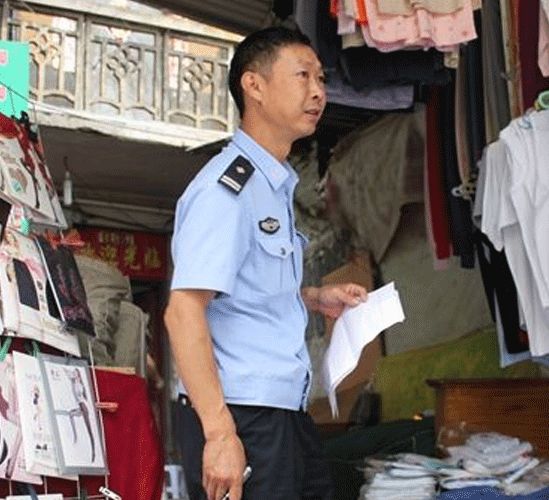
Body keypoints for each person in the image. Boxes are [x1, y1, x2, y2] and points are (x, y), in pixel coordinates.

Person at [164, 26, 368, 500]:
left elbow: (243, 290)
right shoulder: (226, 190)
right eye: (302, 75)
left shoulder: (270, 185)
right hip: (240, 415)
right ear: (253, 86)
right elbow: (183, 310)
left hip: (281, 412)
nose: (318, 91)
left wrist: (312, 297)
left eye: (321, 78)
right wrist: (220, 434)